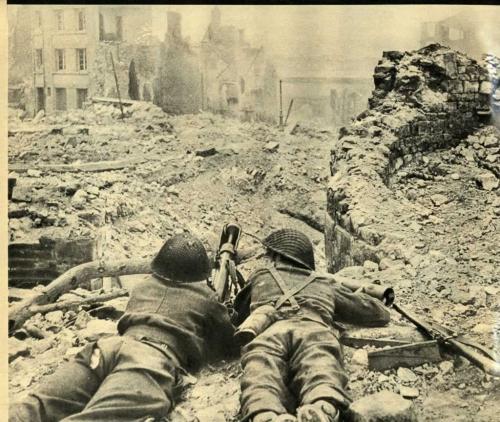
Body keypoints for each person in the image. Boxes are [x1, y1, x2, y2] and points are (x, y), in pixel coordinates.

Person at [10, 233, 237, 422]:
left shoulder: (143, 286)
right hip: (150, 360)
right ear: (200, 272)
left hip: (106, 348)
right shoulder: (207, 299)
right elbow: (229, 348)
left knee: (36, 407)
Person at [233, 229, 391, 422]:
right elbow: (377, 314)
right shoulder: (324, 282)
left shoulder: (261, 276)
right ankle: (322, 407)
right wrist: (364, 293)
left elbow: (237, 315)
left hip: (270, 331)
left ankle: (264, 413)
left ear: (275, 257)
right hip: (313, 328)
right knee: (320, 365)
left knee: (260, 369)